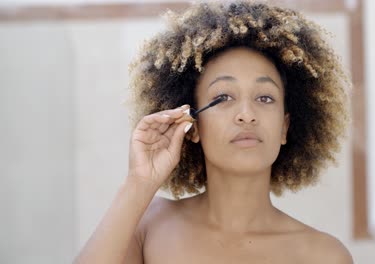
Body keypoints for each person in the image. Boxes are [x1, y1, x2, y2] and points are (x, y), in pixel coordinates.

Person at [74, 1, 352, 263]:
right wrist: (138, 183)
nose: (246, 114)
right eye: (224, 97)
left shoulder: (324, 255)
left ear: (284, 128)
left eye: (265, 98)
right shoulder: (148, 225)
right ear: (192, 125)